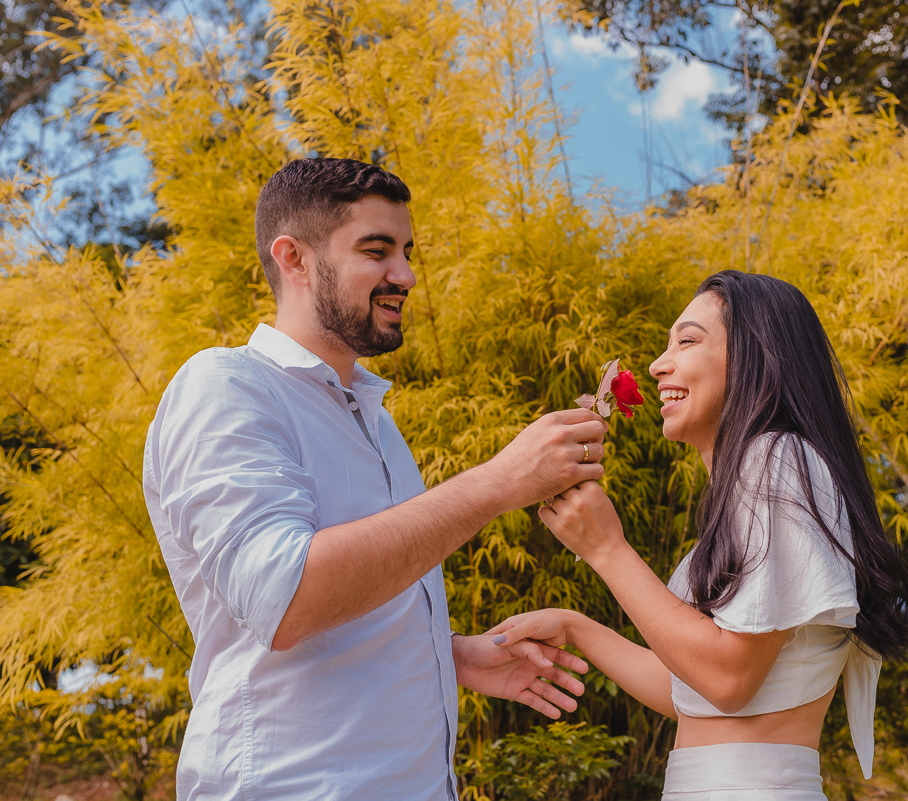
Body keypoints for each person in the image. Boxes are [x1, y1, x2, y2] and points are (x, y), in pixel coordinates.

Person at [143, 157, 606, 800]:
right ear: (294, 259)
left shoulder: (375, 420)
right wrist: (498, 483)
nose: (406, 275)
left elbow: (353, 593)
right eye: (376, 250)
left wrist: (443, 651)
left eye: (407, 251)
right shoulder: (226, 386)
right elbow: (287, 598)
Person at [489, 270, 908, 800]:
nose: (656, 364)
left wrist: (607, 549)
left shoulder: (776, 459)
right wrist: (575, 627)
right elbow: (692, 687)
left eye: (688, 340)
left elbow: (728, 682)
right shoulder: (758, 485)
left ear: (755, 359)